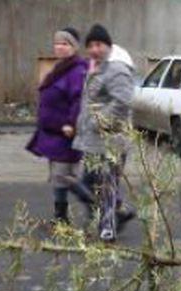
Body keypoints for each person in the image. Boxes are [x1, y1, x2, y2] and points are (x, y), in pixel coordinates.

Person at [73, 24, 136, 242]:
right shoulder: (97, 67)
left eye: (98, 44)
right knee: (87, 183)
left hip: (112, 141)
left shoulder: (116, 69)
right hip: (94, 140)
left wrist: (99, 121)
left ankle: (107, 230)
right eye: (90, 45)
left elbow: (123, 101)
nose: (93, 49)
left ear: (108, 45)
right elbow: (90, 102)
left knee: (107, 185)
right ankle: (120, 212)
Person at [26, 28, 88, 224]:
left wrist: (71, 123)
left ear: (74, 47)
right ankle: (61, 217)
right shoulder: (61, 67)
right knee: (58, 176)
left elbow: (78, 99)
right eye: (57, 43)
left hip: (65, 133)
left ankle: (96, 203)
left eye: (65, 43)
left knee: (64, 176)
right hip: (53, 132)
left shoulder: (77, 70)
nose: (60, 47)